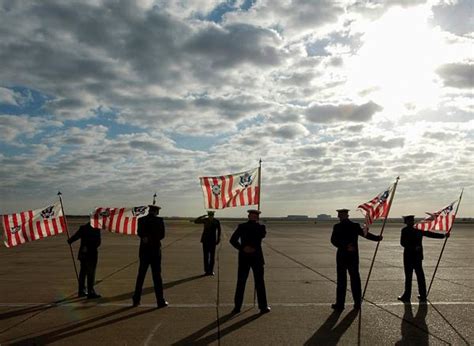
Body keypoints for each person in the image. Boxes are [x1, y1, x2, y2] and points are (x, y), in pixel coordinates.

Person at [330, 208, 382, 310]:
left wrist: (377, 238)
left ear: (345, 216)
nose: (339, 217)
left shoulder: (345, 226)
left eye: (340, 215)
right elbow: (333, 240)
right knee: (351, 280)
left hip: (344, 256)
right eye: (339, 215)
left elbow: (334, 241)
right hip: (350, 256)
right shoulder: (350, 226)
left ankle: (344, 304)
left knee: (346, 280)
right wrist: (377, 238)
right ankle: (353, 303)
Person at [398, 215, 447, 303]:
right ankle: (408, 295)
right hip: (410, 256)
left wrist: (443, 236)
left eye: (412, 220)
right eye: (409, 220)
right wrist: (414, 247)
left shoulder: (418, 229)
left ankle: (421, 294)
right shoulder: (405, 230)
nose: (411, 222)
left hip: (415, 256)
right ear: (406, 222)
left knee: (419, 276)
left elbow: (430, 234)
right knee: (410, 277)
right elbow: (403, 243)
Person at [229, 209, 270, 314]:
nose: (253, 217)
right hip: (248, 257)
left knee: (259, 282)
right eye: (252, 215)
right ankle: (237, 306)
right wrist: (243, 248)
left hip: (252, 258)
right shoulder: (250, 227)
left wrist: (243, 248)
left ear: (257, 217)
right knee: (242, 282)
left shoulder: (259, 227)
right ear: (249, 216)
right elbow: (232, 240)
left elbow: (262, 236)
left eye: (254, 216)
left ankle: (263, 306)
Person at [132, 205, 168, 308]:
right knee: (157, 277)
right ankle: (160, 301)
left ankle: (136, 299)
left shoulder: (141, 220)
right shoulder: (159, 221)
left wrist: (146, 237)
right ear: (156, 211)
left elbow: (139, 232)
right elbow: (162, 235)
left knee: (141, 276)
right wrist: (152, 239)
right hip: (155, 251)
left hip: (144, 251)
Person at [67, 222, 101, 299]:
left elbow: (75, 237)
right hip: (91, 255)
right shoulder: (96, 229)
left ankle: (81, 291)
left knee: (83, 273)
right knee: (91, 274)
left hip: (83, 254)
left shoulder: (83, 228)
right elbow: (98, 243)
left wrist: (70, 240)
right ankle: (90, 292)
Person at [194, 211, 221, 276]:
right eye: (209, 215)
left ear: (213, 215)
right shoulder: (205, 220)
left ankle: (211, 271)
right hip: (205, 240)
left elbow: (219, 230)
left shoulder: (216, 221)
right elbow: (196, 221)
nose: (211, 216)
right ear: (208, 215)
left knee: (212, 257)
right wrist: (202, 216)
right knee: (206, 256)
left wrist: (218, 238)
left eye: (212, 215)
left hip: (212, 241)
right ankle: (206, 271)